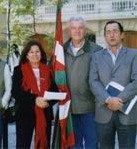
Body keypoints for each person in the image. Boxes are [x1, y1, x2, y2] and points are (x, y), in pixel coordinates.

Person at [89, 20, 137, 149]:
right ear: (105, 36)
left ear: (122, 35)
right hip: (104, 112)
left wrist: (118, 100)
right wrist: (108, 99)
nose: (112, 35)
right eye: (108, 32)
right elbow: (93, 82)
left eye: (115, 31)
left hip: (127, 113)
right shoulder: (96, 57)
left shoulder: (134, 54)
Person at [11, 40, 58, 149]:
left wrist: (48, 102)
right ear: (26, 55)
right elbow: (16, 92)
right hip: (25, 114)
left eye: (37, 51)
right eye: (31, 52)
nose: (35, 54)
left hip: (44, 113)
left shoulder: (48, 70)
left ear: (41, 54)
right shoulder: (19, 70)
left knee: (44, 145)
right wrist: (35, 100)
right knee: (23, 146)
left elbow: (55, 92)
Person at [64, 16, 102, 148]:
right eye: (73, 28)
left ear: (85, 30)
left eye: (80, 28)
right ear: (69, 31)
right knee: (74, 145)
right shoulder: (61, 51)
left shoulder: (97, 50)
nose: (77, 31)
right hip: (69, 108)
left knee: (92, 143)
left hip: (91, 108)